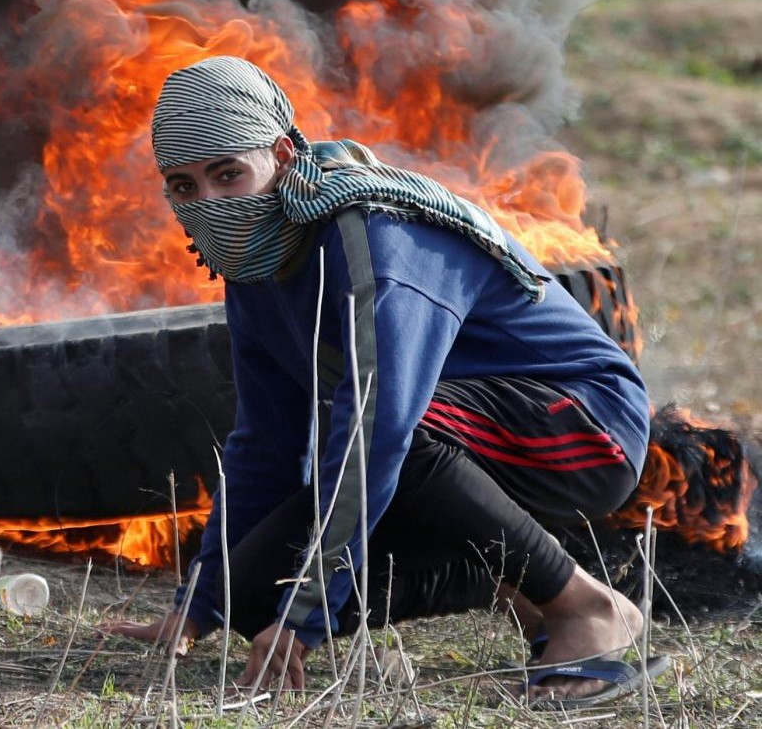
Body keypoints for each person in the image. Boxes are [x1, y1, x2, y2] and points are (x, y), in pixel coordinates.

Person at [103, 56, 666, 708]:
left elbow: (380, 422)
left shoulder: (370, 231)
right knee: (251, 593)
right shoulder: (252, 267)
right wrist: (201, 601)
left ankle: (585, 608)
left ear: (284, 155)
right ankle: (522, 581)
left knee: (387, 427)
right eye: (185, 186)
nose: (212, 203)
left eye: (229, 173)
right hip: (452, 446)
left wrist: (307, 615)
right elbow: (265, 441)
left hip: (584, 425)